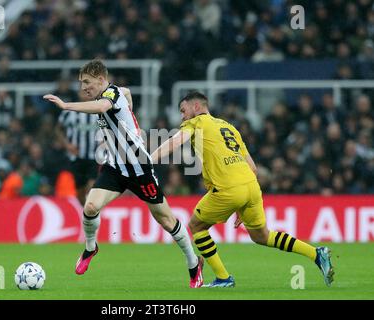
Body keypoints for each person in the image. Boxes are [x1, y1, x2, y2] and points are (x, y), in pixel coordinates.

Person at [43, 59, 203, 288]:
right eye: (81, 83)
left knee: (165, 219)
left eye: (87, 82)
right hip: (115, 166)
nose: (83, 88)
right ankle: (90, 248)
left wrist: (66, 105)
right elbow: (126, 93)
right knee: (90, 207)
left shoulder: (110, 96)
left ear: (101, 80)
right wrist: (131, 113)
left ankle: (193, 262)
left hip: (139, 167)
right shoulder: (117, 93)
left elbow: (103, 106)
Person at [151, 91, 334, 288]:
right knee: (261, 236)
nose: (182, 116)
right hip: (251, 186)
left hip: (228, 188)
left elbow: (175, 142)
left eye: (183, 110)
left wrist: (147, 162)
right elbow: (253, 168)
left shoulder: (196, 123)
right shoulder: (229, 128)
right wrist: (241, 202)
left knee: (196, 226)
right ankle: (316, 253)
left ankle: (223, 278)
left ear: (196, 107)